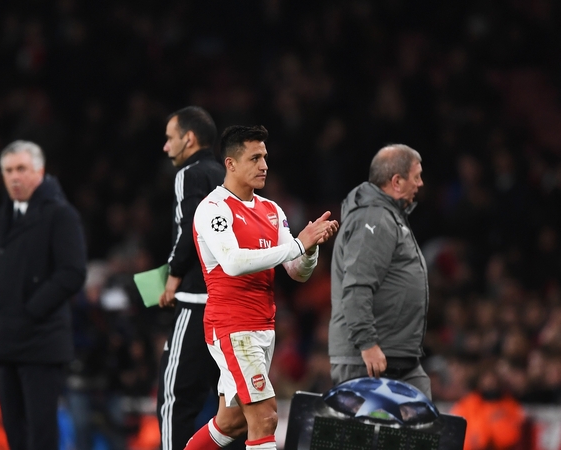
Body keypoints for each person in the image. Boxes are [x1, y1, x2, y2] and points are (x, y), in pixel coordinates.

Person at [186, 125, 339, 450]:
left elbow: (297, 272)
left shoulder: (272, 211)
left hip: (263, 327)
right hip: (232, 327)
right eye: (254, 158)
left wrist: (309, 250)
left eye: (265, 157)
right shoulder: (214, 209)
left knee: (232, 421)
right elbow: (234, 263)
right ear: (230, 164)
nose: (264, 165)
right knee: (266, 417)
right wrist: (298, 244)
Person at [0, 140, 87, 449]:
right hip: (6, 341)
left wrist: (30, 311)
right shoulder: (3, 215)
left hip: (40, 341)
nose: (14, 177)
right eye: (8, 170)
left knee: (40, 434)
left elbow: (73, 272)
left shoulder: (61, 215)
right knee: (15, 432)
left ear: (39, 171)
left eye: (21, 169)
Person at [157, 106, 241, 450]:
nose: (166, 146)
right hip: (232, 308)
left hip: (196, 304)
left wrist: (174, 274)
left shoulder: (189, 174)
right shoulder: (228, 176)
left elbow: (192, 226)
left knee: (174, 400)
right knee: (233, 410)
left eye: (169, 138)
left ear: (188, 139)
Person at [328, 144, 431, 397]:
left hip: (396, 355)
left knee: (423, 431)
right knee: (365, 435)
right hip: (369, 358)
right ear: (396, 181)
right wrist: (367, 343)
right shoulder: (373, 217)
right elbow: (357, 286)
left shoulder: (390, 216)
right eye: (416, 177)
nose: (420, 184)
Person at [449, 363, 526, 450]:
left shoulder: (511, 405)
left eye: (493, 379)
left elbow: (511, 437)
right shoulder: (467, 404)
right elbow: (457, 433)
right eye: (486, 378)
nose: (490, 382)